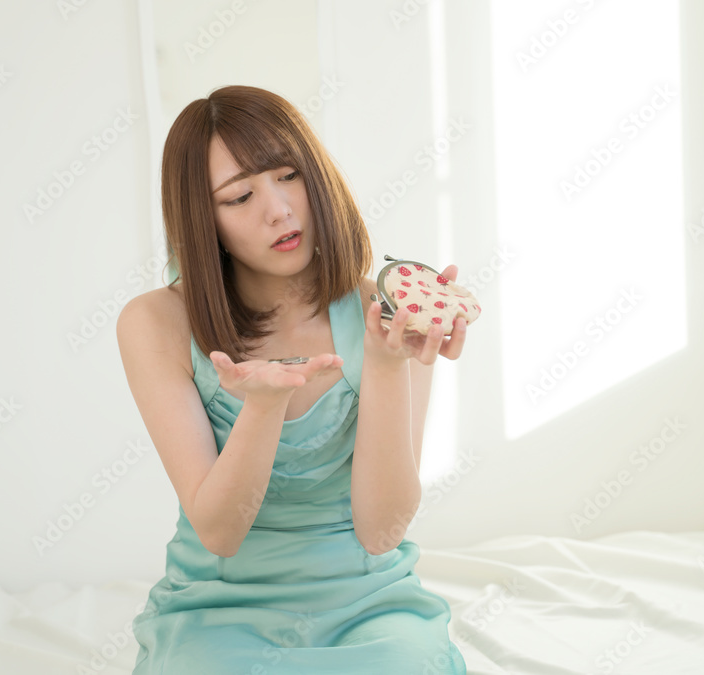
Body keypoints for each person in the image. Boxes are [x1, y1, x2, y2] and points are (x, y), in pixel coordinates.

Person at [116, 84, 470, 674]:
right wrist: (262, 409)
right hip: (219, 608)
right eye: (240, 196)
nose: (278, 209)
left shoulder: (384, 311)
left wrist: (387, 365)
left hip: (369, 602)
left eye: (288, 175)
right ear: (204, 220)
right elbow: (220, 533)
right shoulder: (156, 322)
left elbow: (382, 532)